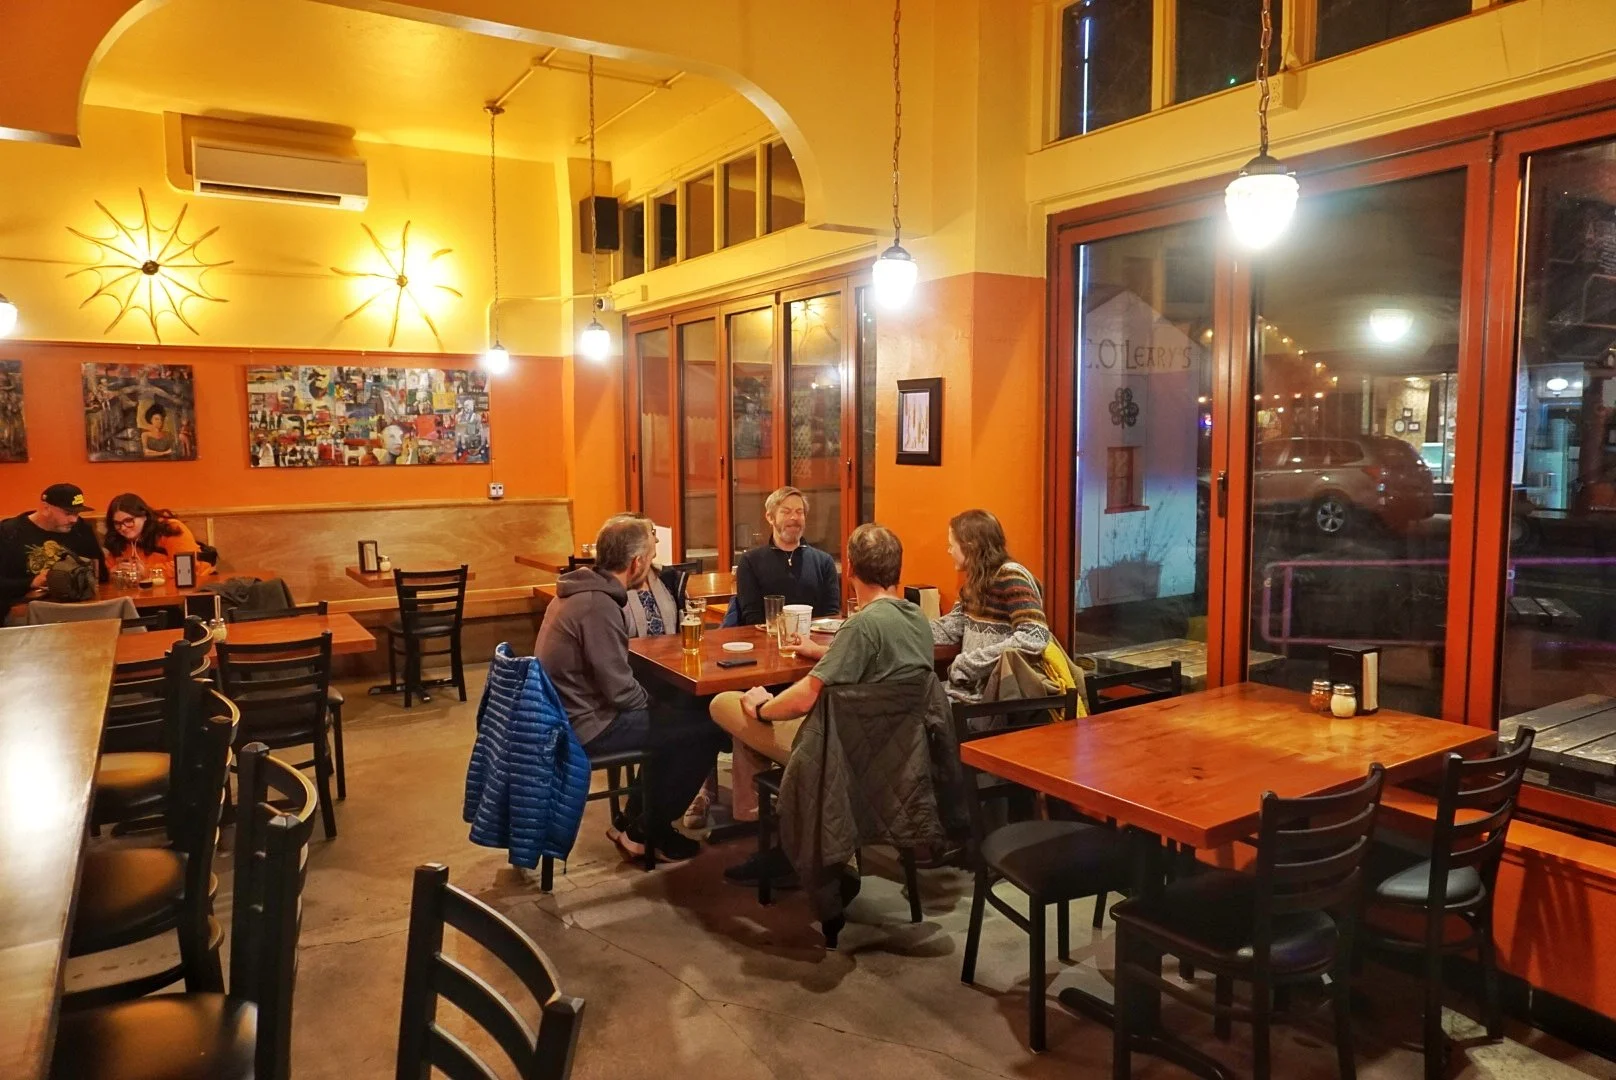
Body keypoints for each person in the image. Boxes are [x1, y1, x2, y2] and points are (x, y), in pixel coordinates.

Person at [710, 523, 934, 881]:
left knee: (729, 702)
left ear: (852, 568)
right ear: (897, 567)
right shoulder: (917, 619)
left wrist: (762, 708)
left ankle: (776, 837)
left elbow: (804, 699)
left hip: (836, 750)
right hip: (896, 750)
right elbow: (876, 662)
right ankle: (788, 827)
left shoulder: (861, 626)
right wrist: (821, 652)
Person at [534, 515, 721, 863]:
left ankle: (634, 822)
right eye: (650, 558)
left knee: (678, 721)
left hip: (566, 715)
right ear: (636, 563)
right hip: (586, 727)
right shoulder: (598, 604)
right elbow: (621, 693)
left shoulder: (578, 590)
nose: (651, 565)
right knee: (707, 728)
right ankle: (646, 831)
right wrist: (657, 705)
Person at [931, 509, 1051, 702]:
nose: (949, 551)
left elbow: (1035, 636)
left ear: (970, 546)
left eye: (951, 545)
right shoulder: (975, 582)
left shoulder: (1011, 575)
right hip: (972, 693)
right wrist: (905, 629)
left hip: (997, 699)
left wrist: (969, 664)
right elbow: (952, 627)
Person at [733, 486, 841, 625]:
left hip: (814, 637)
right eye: (786, 512)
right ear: (770, 517)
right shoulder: (750, 562)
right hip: (767, 637)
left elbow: (831, 616)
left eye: (799, 512)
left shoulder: (824, 562)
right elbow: (752, 618)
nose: (794, 517)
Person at [0, 484, 108, 612]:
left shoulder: (82, 530)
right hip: (25, 610)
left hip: (75, 607)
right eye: (68, 513)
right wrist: (31, 582)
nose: (74, 519)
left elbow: (101, 574)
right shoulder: (9, 532)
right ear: (46, 508)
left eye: (77, 513)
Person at [101, 493, 211, 582]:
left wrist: (147, 571)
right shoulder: (116, 539)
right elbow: (108, 569)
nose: (123, 528)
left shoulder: (170, 529)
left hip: (193, 584)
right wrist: (113, 572)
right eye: (117, 523)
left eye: (128, 521)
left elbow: (187, 566)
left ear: (144, 516)